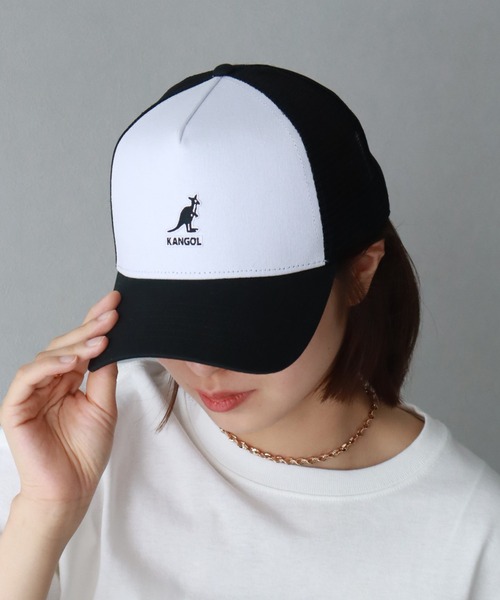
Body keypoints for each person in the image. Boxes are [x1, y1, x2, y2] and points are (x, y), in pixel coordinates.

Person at [0, 63, 499, 600]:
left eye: (243, 326)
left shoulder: (471, 533)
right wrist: (43, 513)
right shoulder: (75, 440)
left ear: (360, 273)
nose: (202, 367)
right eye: (174, 324)